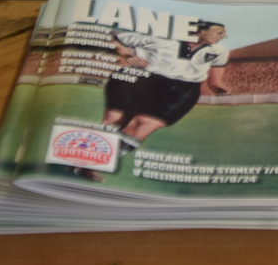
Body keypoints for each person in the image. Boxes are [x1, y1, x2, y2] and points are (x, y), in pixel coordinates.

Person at [74, 21, 231, 181]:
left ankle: (90, 163)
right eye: (220, 32)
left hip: (183, 90)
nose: (224, 36)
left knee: (141, 126)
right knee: (114, 122)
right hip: (144, 79)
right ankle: (82, 158)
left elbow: (214, 80)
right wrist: (125, 53)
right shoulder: (162, 38)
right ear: (200, 31)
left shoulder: (219, 51)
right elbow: (111, 36)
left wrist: (218, 86)